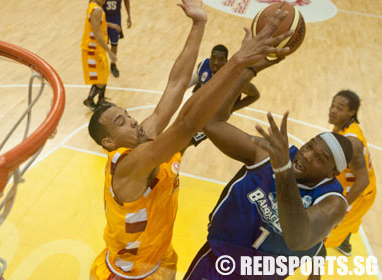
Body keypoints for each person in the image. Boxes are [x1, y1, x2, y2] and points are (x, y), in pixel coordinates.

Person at [87, 2, 293, 279]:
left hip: (159, 258)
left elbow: (176, 84)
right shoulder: (128, 164)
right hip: (127, 273)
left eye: (127, 114)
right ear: (110, 143)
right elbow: (186, 124)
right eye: (121, 122)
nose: (134, 120)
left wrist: (199, 24)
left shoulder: (144, 136)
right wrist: (238, 62)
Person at [183, 73, 354, 279]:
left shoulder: (333, 202)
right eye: (309, 146)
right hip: (216, 264)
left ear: (332, 173)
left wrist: (282, 171)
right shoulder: (269, 155)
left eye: (320, 158)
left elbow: (298, 239)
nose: (307, 155)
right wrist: (247, 68)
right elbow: (211, 123)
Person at [324, 90, 376, 256]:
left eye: (339, 108)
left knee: (326, 235)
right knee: (346, 222)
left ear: (351, 112)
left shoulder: (352, 141)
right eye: (333, 105)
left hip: (360, 192)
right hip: (352, 183)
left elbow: (363, 181)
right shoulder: (343, 127)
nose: (333, 110)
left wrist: (342, 206)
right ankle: (345, 241)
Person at [189, 44, 261, 146]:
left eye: (220, 59)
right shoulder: (203, 65)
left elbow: (255, 95)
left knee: (187, 141)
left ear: (226, 61)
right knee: (181, 133)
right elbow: (195, 80)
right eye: (213, 58)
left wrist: (231, 108)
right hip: (202, 106)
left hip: (214, 118)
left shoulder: (235, 78)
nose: (215, 63)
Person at [81, 0, 122, 111]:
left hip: (97, 49)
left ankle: (101, 100)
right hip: (92, 49)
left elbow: (98, 23)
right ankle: (89, 100)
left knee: (104, 74)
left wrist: (110, 25)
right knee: (100, 80)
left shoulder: (95, 6)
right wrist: (110, 52)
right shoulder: (96, 10)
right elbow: (97, 33)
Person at [103, 0, 131, 78]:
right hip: (104, 15)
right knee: (101, 43)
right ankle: (101, 64)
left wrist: (129, 16)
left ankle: (113, 64)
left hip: (115, 16)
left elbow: (126, 1)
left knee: (114, 43)